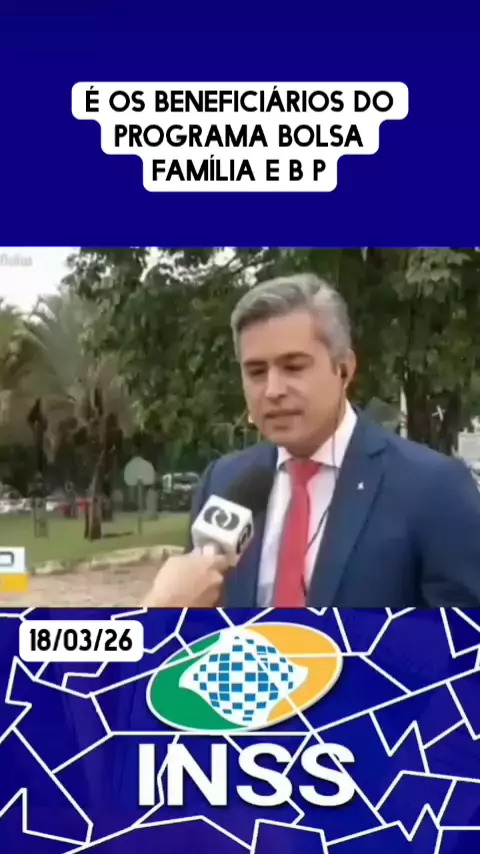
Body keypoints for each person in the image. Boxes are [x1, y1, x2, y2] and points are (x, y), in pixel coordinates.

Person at [146, 273, 480, 609]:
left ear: (344, 369)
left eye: (293, 367)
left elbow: (461, 638)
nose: (273, 390)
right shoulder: (223, 482)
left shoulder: (434, 488)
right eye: (256, 372)